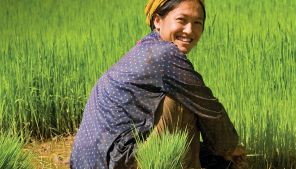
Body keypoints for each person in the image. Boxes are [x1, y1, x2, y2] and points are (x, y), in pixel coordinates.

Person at [70, 0, 246, 168]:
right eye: (181, 20)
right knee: (182, 103)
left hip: (88, 161)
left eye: (197, 22)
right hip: (113, 161)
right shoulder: (166, 55)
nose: (190, 30)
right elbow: (209, 109)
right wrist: (229, 148)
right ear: (157, 20)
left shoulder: (146, 47)